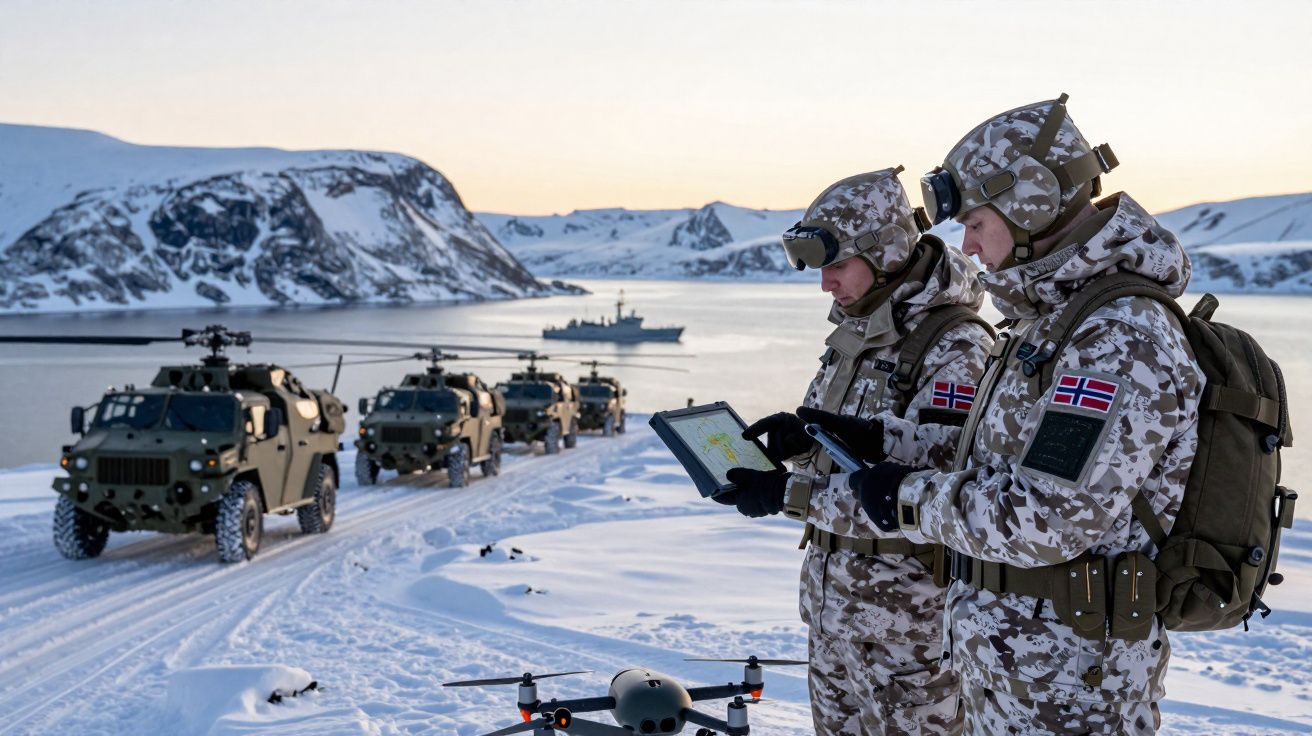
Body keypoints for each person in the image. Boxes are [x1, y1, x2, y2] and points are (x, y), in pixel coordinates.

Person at [822, 95, 1204, 734]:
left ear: (1028, 203)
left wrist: (905, 498)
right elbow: (988, 460)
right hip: (1007, 667)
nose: (966, 246)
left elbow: (1047, 516)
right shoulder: (1050, 324)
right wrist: (876, 436)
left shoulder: (1116, 336)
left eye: (975, 222)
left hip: (1068, 684)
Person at [718, 167, 993, 735]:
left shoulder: (954, 344)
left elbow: (929, 491)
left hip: (908, 630)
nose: (826, 285)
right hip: (834, 615)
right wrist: (804, 444)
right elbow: (853, 459)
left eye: (836, 266)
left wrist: (789, 495)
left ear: (885, 250)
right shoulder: (856, 333)